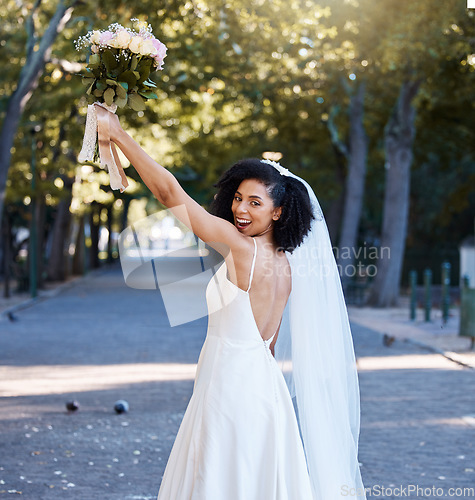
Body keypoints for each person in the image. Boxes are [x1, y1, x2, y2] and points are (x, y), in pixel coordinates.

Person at [94, 104, 367, 500]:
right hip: (263, 389)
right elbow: (268, 345)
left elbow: (169, 192)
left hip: (231, 387)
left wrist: (118, 134)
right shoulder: (286, 266)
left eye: (255, 203)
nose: (240, 209)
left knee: (220, 479)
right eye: (238, 198)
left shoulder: (242, 250)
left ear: (278, 211)